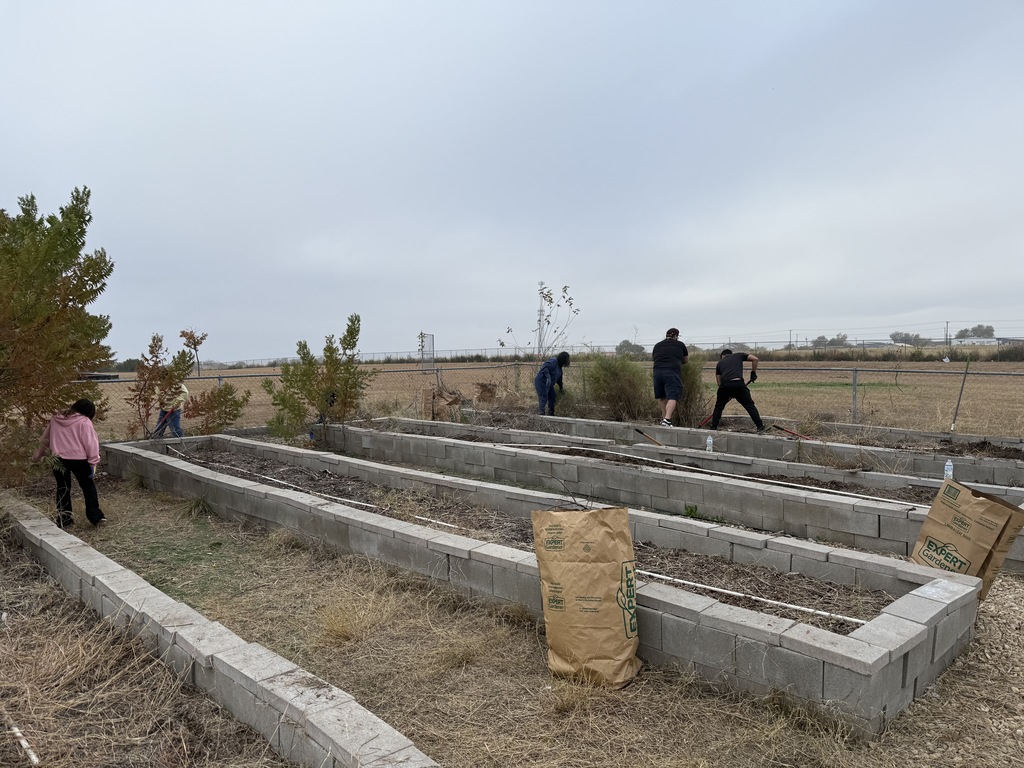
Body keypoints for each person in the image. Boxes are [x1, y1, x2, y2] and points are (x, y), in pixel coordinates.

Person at [32, 399, 105, 528]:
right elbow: (91, 444)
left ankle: (64, 518)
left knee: (63, 488)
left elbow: (45, 439)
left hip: (58, 459)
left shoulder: (55, 420)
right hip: (79, 460)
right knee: (88, 486)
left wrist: (37, 455)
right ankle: (95, 517)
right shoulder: (85, 422)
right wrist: (93, 462)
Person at [710, 349, 766, 433]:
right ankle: (760, 427)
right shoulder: (739, 355)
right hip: (739, 384)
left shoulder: (719, 363)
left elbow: (719, 382)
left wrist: (726, 393)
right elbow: (755, 359)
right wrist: (753, 372)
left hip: (725, 386)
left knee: (718, 407)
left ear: (722, 356)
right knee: (749, 406)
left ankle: (713, 428)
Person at [652, 328, 688, 426]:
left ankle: (664, 420)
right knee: (673, 396)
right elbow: (685, 360)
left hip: (657, 372)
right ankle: (667, 419)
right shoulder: (680, 345)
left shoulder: (657, 345)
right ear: (676, 336)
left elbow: (655, 358)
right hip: (671, 372)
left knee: (662, 397)